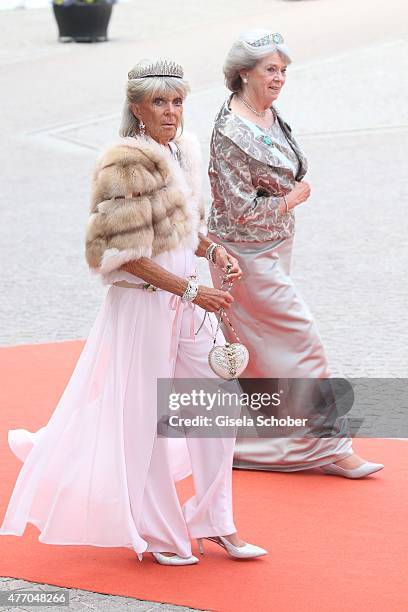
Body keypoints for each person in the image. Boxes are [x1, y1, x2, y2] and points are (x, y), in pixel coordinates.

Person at [0, 58, 267, 565]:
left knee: (215, 405)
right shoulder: (123, 163)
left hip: (186, 303)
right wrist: (192, 292)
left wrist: (213, 252)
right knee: (147, 420)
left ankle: (215, 521)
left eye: (178, 101)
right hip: (143, 307)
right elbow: (121, 257)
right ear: (137, 107)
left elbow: (186, 231)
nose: (171, 111)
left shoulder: (184, 152)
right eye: (160, 102)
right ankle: (163, 533)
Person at [207, 31, 384, 479]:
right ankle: (331, 445)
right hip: (242, 255)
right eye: (270, 69)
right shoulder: (231, 130)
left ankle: (246, 444)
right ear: (243, 73)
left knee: (261, 352)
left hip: (274, 247)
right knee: (301, 338)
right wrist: (290, 200)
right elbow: (237, 209)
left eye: (284, 70)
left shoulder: (266, 113)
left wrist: (285, 202)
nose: (280, 78)